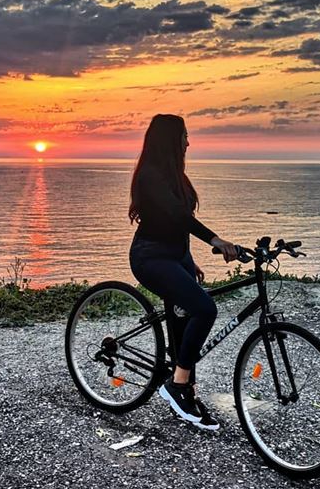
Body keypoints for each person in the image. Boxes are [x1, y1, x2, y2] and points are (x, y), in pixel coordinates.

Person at [128, 114, 238, 430]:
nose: (189, 142)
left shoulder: (176, 175)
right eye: (185, 136)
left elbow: (176, 225)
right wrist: (215, 239)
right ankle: (176, 387)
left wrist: (190, 260)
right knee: (205, 309)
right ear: (170, 139)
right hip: (150, 258)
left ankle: (185, 388)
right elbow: (178, 216)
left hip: (176, 257)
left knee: (186, 321)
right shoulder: (149, 176)